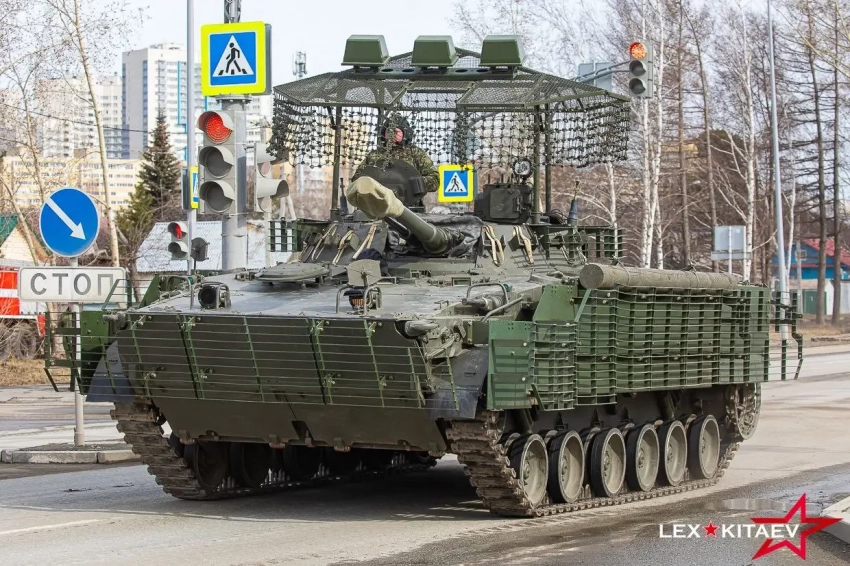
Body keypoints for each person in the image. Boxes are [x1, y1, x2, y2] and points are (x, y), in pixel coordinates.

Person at [354, 115, 439, 193]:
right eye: (389, 131)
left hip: (408, 201)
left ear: (404, 133)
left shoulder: (415, 153)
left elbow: (434, 179)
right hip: (379, 201)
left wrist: (411, 183)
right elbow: (357, 178)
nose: (391, 135)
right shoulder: (374, 155)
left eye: (395, 132)